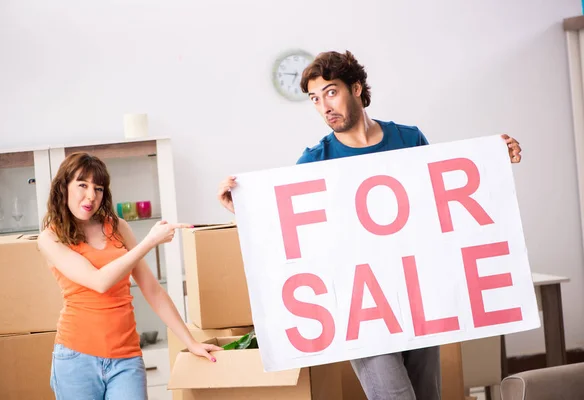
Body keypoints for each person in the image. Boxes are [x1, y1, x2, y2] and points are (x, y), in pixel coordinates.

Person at [217, 50, 522, 400]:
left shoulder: (408, 140)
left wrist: (494, 162)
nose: (324, 107)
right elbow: (291, 230)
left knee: (427, 396)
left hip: (416, 296)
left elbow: (443, 206)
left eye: (331, 92)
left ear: (357, 88)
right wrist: (241, 210)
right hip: (361, 309)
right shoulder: (315, 161)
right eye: (315, 100)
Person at [37, 152, 221, 400]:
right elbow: (99, 282)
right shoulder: (50, 238)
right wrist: (150, 241)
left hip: (126, 358)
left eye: (98, 188)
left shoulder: (118, 227)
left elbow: (152, 289)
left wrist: (190, 342)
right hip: (75, 358)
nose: (91, 196)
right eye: (82, 185)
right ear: (63, 187)